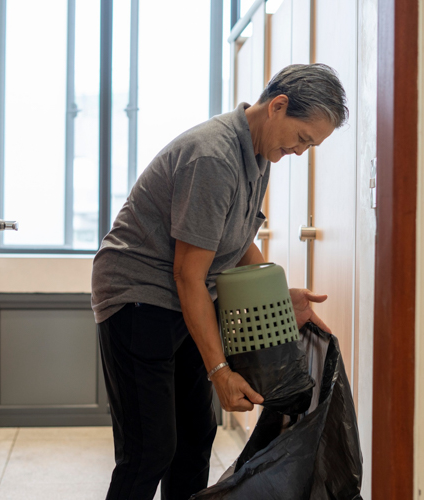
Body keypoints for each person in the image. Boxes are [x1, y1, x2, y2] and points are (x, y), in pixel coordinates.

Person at [91, 63, 349, 500]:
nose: (301, 151)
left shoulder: (259, 153)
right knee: (150, 449)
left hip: (183, 295)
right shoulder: (213, 157)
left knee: (195, 438)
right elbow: (187, 274)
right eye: (303, 138)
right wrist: (220, 371)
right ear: (278, 107)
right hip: (139, 297)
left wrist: (278, 302)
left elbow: (238, 244)